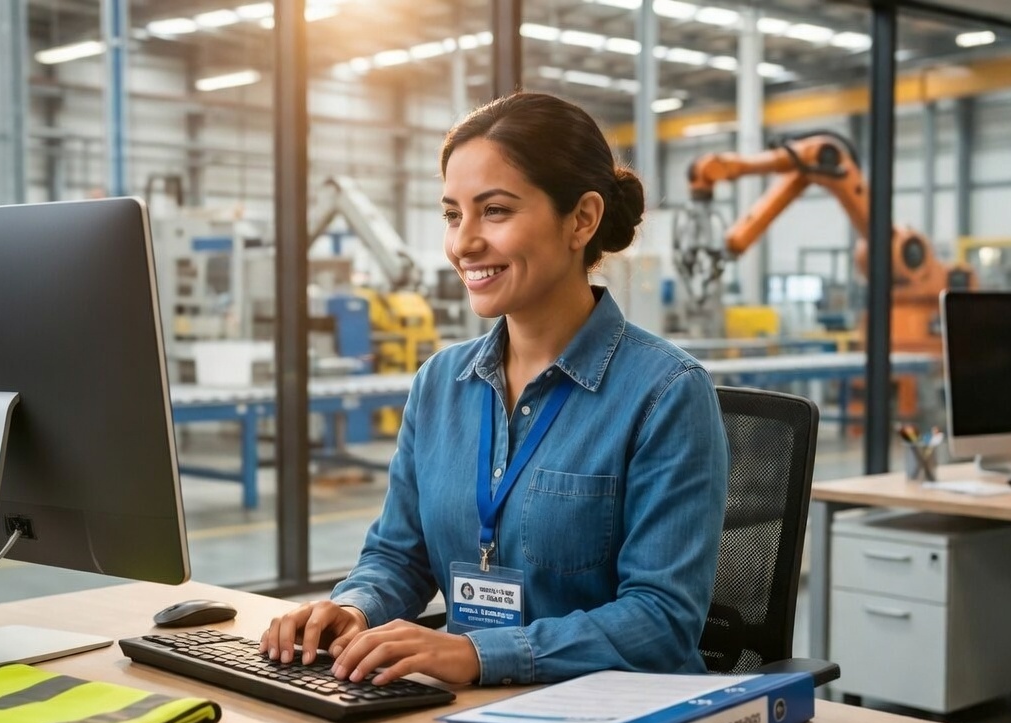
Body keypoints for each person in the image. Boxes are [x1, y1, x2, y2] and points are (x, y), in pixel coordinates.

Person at [261, 91, 729, 688]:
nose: (463, 243)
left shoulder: (666, 393)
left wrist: (479, 655)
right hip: (470, 708)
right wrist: (354, 608)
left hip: (614, 712)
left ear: (582, 220)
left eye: (496, 211)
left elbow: (661, 622)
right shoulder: (440, 384)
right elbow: (399, 555)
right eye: (453, 215)